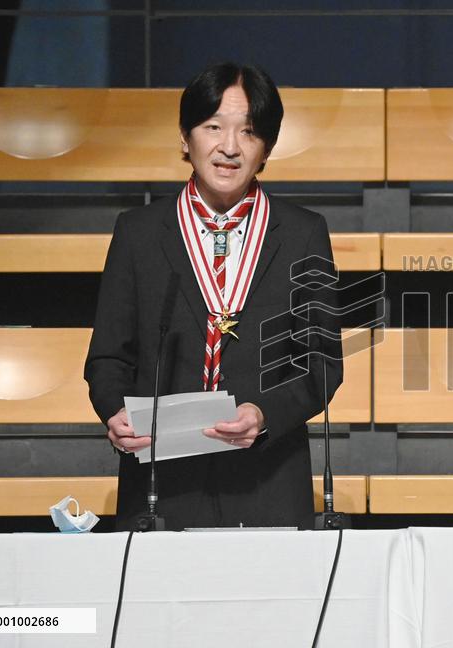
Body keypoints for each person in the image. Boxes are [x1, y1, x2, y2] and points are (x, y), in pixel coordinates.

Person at [84, 62, 342, 531]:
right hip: (162, 483)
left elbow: (322, 364)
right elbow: (107, 357)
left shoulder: (304, 233)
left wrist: (263, 413)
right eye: (213, 127)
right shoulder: (138, 232)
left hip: (268, 480)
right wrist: (113, 412)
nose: (229, 147)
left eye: (248, 132)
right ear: (186, 138)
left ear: (267, 148)